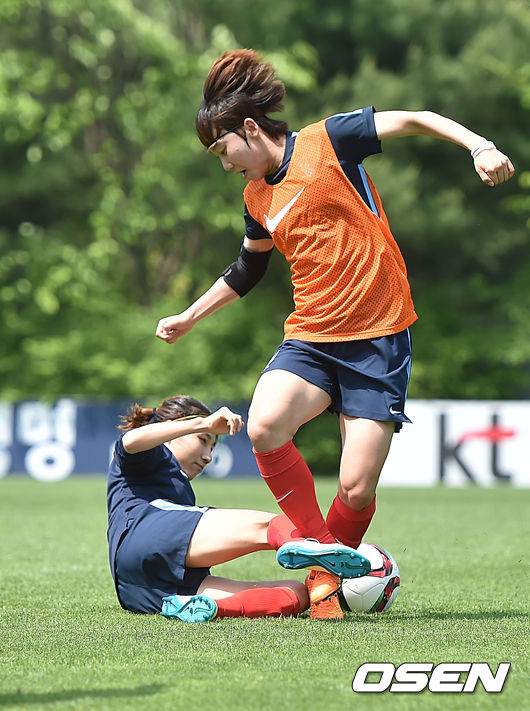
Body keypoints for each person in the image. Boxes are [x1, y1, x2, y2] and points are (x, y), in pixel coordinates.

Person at [155, 49, 515, 619]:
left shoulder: (329, 141)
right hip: (311, 339)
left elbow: (415, 118)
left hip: (378, 339)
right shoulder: (256, 197)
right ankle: (325, 554)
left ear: (249, 129)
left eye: (224, 150)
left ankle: (324, 580)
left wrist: (480, 146)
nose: (225, 165)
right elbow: (248, 267)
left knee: (355, 489)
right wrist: (191, 316)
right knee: (265, 424)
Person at [107, 394, 370, 622]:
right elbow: (130, 441)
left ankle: (206, 608)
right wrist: (203, 422)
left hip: (139, 591)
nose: (208, 456)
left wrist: (203, 429)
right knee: (275, 526)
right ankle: (323, 553)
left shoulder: (177, 486)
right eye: (203, 440)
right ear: (174, 429)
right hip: (143, 535)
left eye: (212, 446)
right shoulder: (152, 454)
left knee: (296, 594)